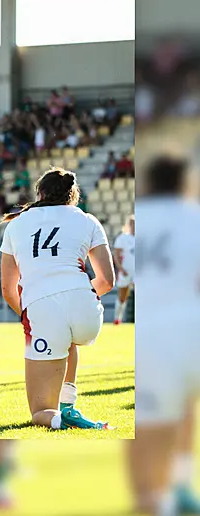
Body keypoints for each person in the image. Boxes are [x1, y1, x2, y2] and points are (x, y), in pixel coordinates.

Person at [0, 167, 115, 430]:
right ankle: (68, 406)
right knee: (67, 333)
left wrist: (29, 312)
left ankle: (61, 418)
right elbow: (107, 280)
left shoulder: (17, 224)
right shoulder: (87, 220)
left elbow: (8, 289)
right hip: (86, 310)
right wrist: (80, 295)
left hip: (42, 307)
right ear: (72, 196)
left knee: (40, 412)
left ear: (40, 193)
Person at [130, 155, 200, 515]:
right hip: (191, 327)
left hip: (152, 332)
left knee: (148, 423)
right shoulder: (193, 217)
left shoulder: (139, 222)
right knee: (186, 405)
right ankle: (180, 484)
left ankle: (150, 497)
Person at [112, 214, 135, 326]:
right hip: (125, 271)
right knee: (122, 297)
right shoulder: (123, 238)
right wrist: (121, 269)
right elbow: (116, 255)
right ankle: (117, 319)